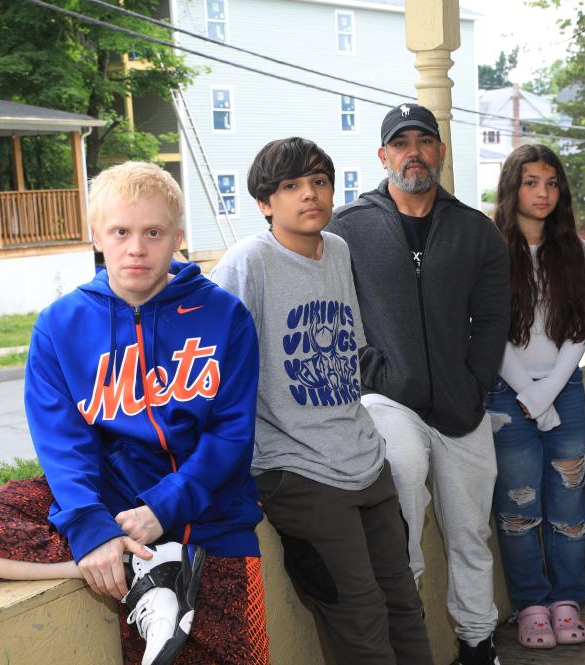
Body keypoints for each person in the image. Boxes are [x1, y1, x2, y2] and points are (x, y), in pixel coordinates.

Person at [0, 161, 269, 665]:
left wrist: (161, 510)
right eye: (121, 231)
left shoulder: (225, 316)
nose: (137, 247)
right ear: (96, 235)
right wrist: (93, 530)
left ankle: (152, 569)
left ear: (177, 237)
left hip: (210, 522)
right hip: (112, 510)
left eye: (153, 232)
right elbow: (64, 445)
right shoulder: (60, 325)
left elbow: (230, 437)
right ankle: (141, 572)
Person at [211, 137, 433, 665]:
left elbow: (350, 348)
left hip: (363, 456)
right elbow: (211, 371)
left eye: (318, 181)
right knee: (358, 617)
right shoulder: (248, 262)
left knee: (404, 600)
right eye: (290, 186)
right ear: (265, 203)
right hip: (297, 470)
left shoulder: (338, 250)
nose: (309, 194)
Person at [328, 103, 510, 665]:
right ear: (383, 156)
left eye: (424, 141)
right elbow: (336, 315)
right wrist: (371, 373)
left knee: (470, 534)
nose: (413, 151)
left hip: (462, 406)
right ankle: (408, 639)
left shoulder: (474, 229)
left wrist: (474, 383)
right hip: (388, 399)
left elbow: (494, 317)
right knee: (403, 494)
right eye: (400, 143)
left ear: (441, 152)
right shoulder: (347, 228)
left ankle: (477, 645)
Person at [488, 144, 585, 649]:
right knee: (518, 507)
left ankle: (567, 599)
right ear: (513, 188)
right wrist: (527, 393)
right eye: (531, 182)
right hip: (507, 397)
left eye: (551, 183)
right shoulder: (490, 248)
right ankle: (532, 604)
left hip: (564, 393)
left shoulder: (575, 247)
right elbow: (488, 330)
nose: (543, 193)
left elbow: (579, 328)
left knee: (569, 506)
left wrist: (547, 393)